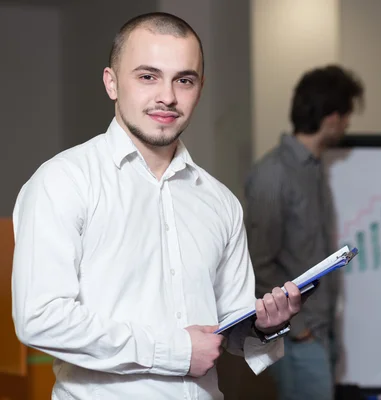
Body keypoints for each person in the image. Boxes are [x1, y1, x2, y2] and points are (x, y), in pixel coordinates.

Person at [11, 12, 306, 400]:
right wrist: (175, 352)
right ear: (112, 83)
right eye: (148, 76)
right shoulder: (64, 181)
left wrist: (265, 327)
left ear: (199, 89)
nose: (167, 96)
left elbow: (229, 329)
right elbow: (40, 318)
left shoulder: (220, 202)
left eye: (184, 80)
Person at [244, 65, 364, 400]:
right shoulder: (273, 175)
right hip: (298, 338)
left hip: (321, 331)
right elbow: (258, 264)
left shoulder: (314, 168)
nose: (347, 126)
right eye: (346, 116)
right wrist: (300, 331)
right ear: (331, 119)